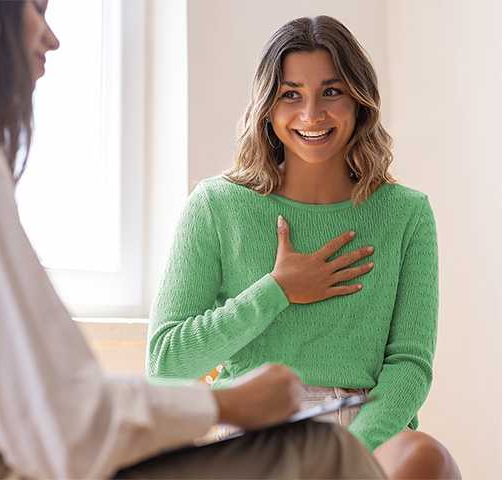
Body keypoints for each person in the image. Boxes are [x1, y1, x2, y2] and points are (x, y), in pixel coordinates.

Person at [0, 2, 386, 479]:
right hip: (19, 467)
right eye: (35, 9)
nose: (52, 39)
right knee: (325, 453)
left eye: (332, 92)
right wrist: (230, 404)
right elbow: (72, 426)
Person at [148, 16, 461, 479]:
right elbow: (165, 364)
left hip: (369, 428)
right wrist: (277, 290)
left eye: (331, 92)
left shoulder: (406, 213)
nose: (312, 114)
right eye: (291, 94)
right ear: (268, 107)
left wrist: (346, 451)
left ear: (359, 101)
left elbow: (410, 365)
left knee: (426, 458)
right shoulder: (216, 206)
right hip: (260, 430)